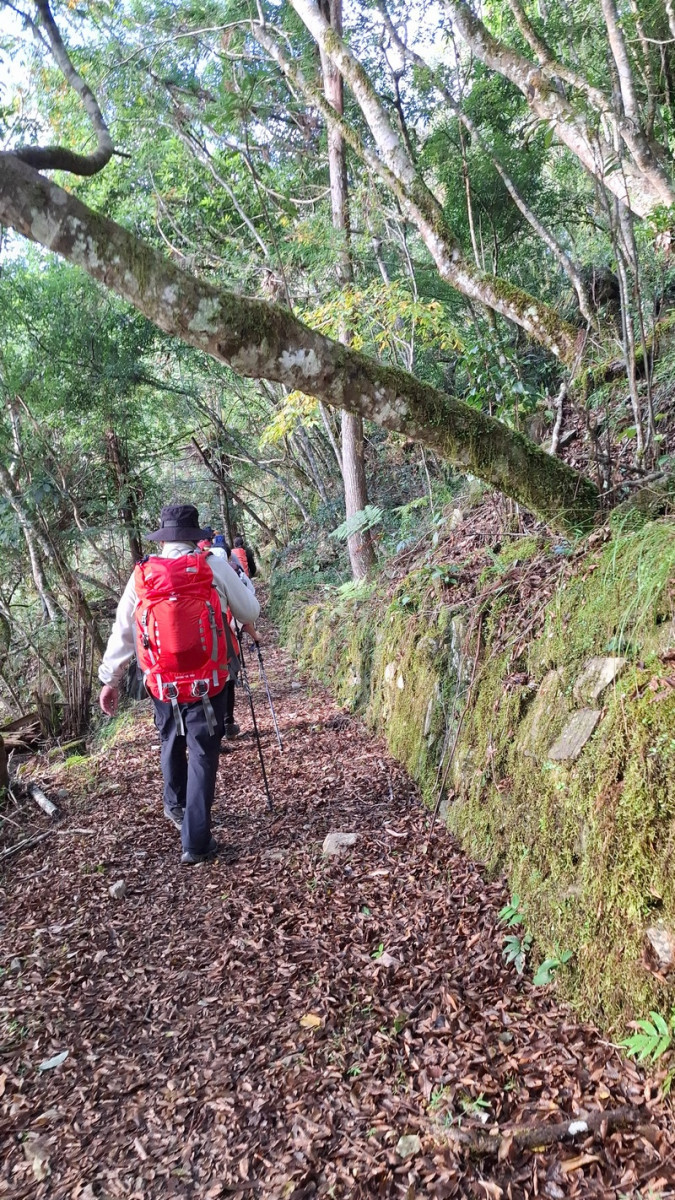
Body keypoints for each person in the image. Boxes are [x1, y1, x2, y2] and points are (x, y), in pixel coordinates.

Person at [98, 504, 260, 865]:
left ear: (164, 538)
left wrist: (110, 680)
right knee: (203, 750)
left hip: (160, 681)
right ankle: (196, 841)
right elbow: (249, 612)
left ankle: (176, 807)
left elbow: (123, 632)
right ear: (194, 535)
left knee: (170, 737)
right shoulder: (212, 565)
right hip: (208, 679)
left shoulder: (142, 574)